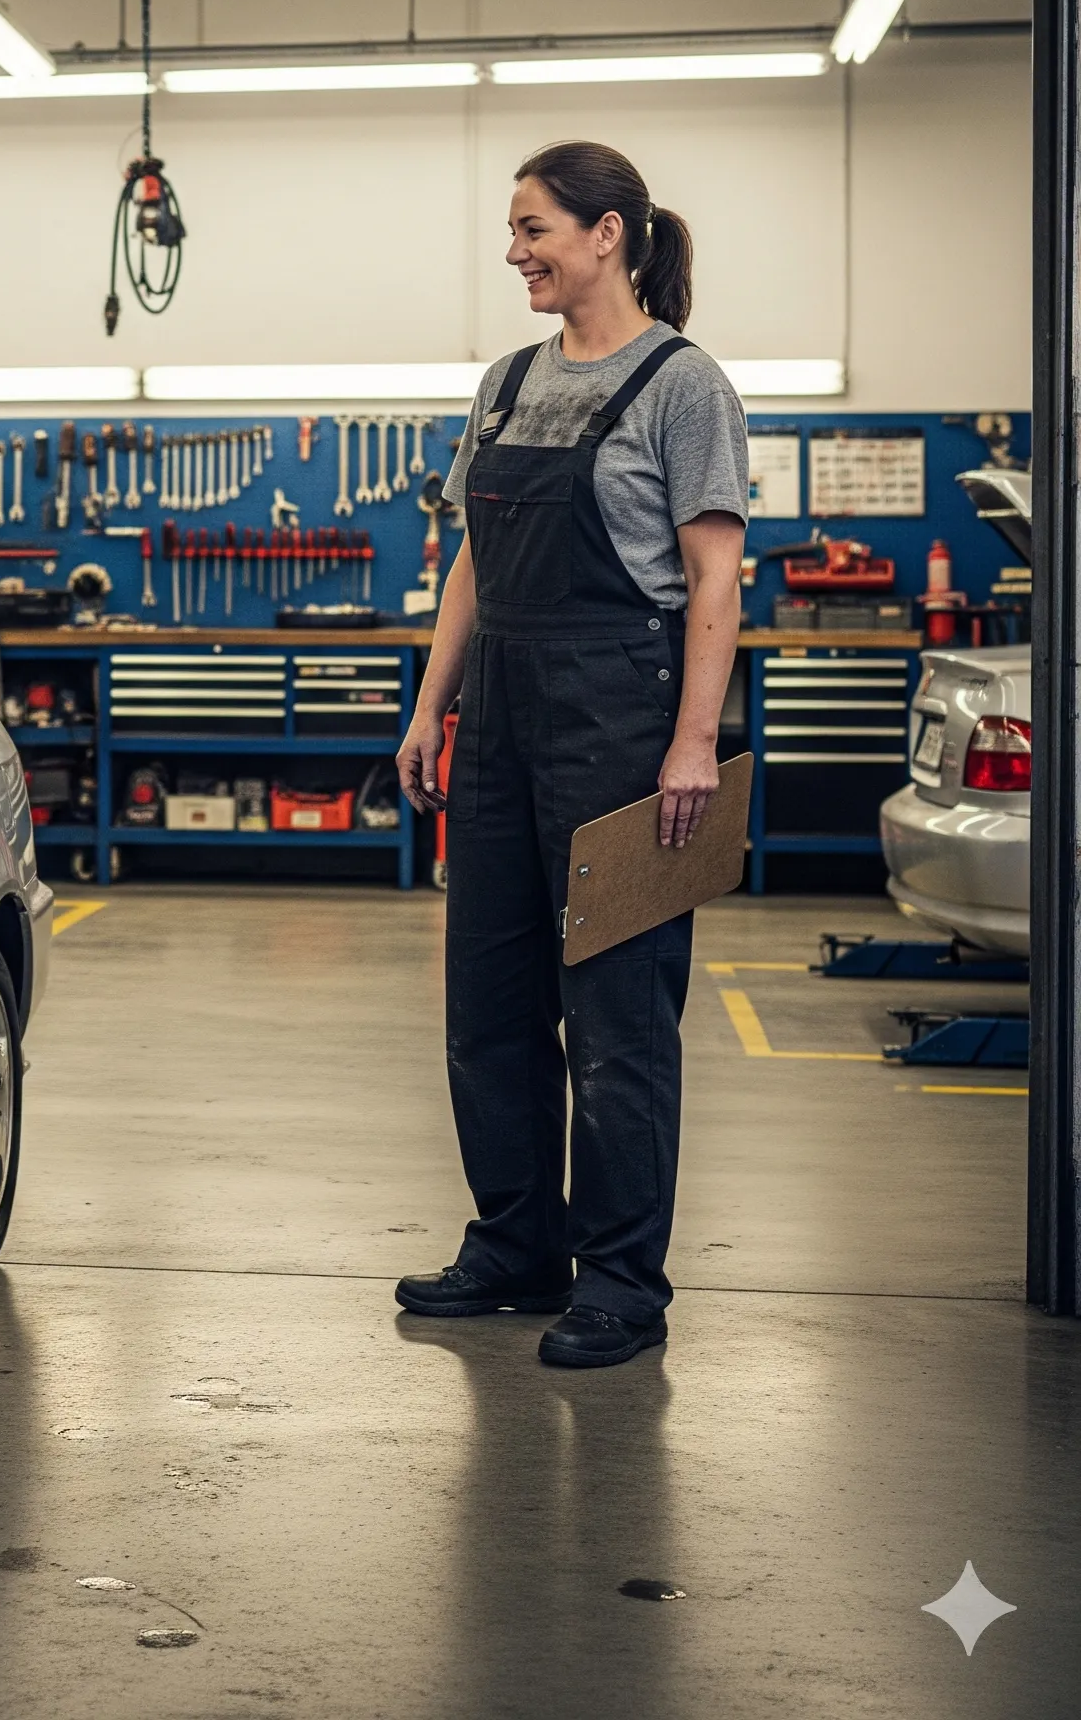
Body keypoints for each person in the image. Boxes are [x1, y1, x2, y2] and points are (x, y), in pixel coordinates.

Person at [392, 140, 748, 1370]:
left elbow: (712, 575)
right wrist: (430, 705)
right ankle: (512, 1244)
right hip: (496, 713)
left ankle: (618, 1280)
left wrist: (691, 742)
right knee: (487, 1003)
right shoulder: (503, 382)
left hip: (620, 714)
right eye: (511, 227)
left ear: (608, 233)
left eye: (533, 226)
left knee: (616, 1020)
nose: (515, 250)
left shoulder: (680, 384)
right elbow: (472, 567)